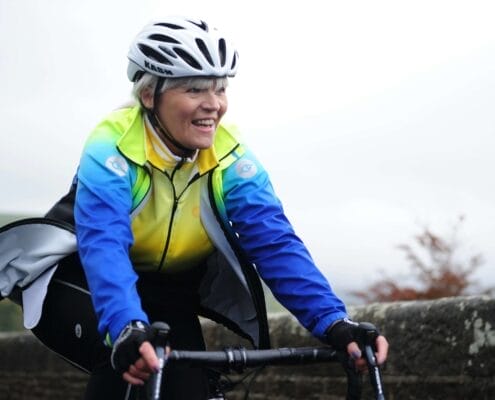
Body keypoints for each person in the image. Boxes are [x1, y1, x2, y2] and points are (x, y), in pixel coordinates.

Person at [0, 16, 388, 399]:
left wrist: (334, 322)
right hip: (81, 279)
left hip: (166, 292)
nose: (214, 105)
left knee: (190, 387)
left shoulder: (230, 155)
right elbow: (104, 242)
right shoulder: (111, 145)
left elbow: (274, 242)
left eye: (220, 89)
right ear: (150, 95)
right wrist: (125, 326)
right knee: (131, 363)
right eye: (195, 90)